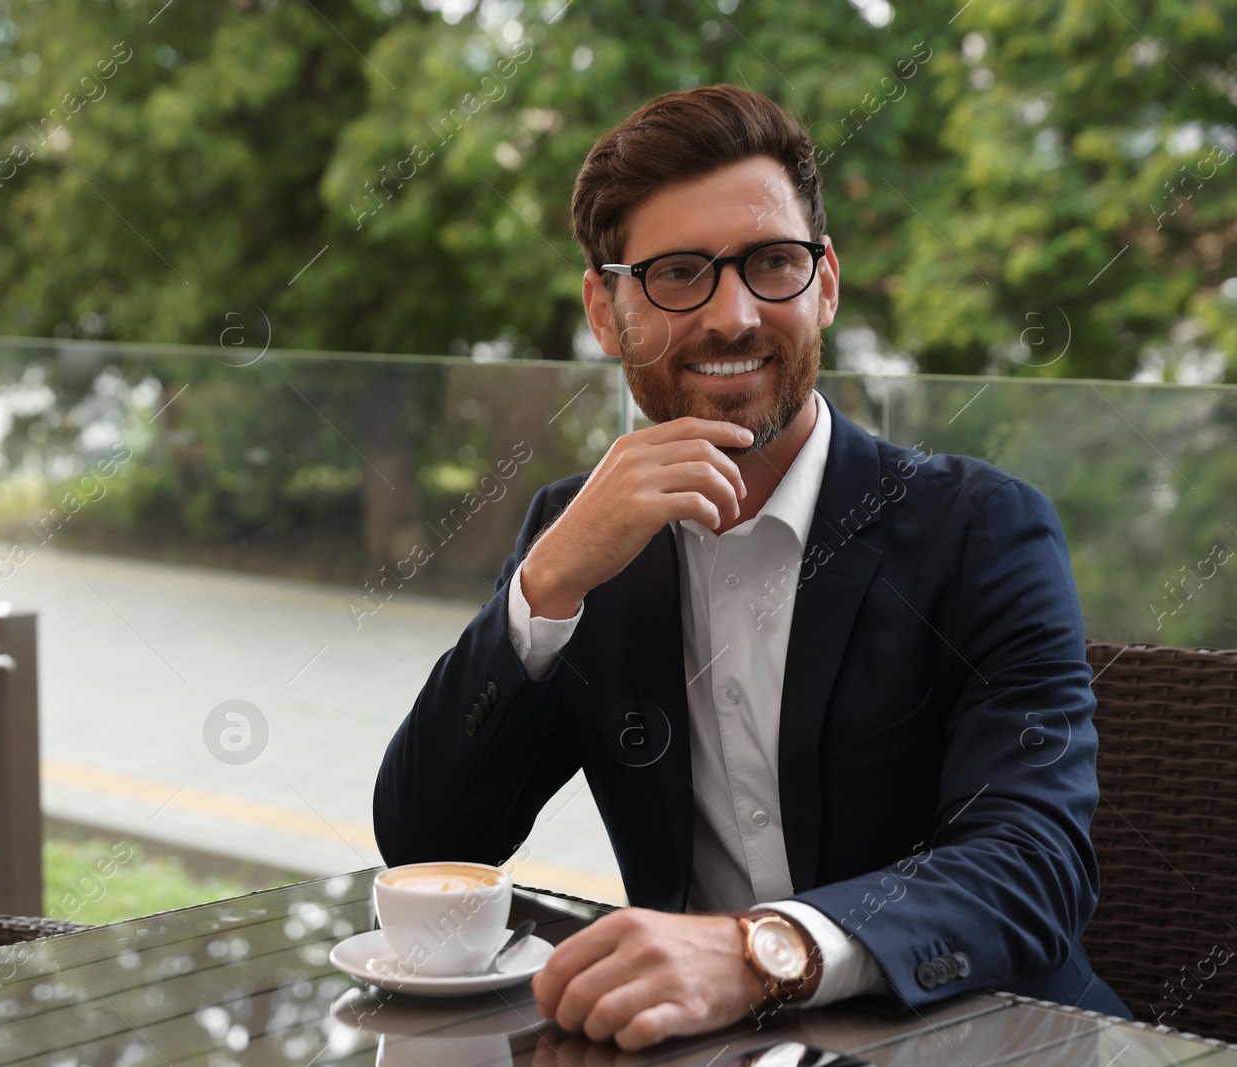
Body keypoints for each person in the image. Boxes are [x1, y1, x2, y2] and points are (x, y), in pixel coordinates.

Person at [372, 84, 1129, 1051]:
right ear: (606, 311)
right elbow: (431, 843)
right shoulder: (581, 532)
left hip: (984, 1040)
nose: (735, 316)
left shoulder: (981, 528)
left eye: (773, 263)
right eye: (679, 274)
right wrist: (544, 588)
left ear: (825, 284)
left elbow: (1035, 866)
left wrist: (757, 952)